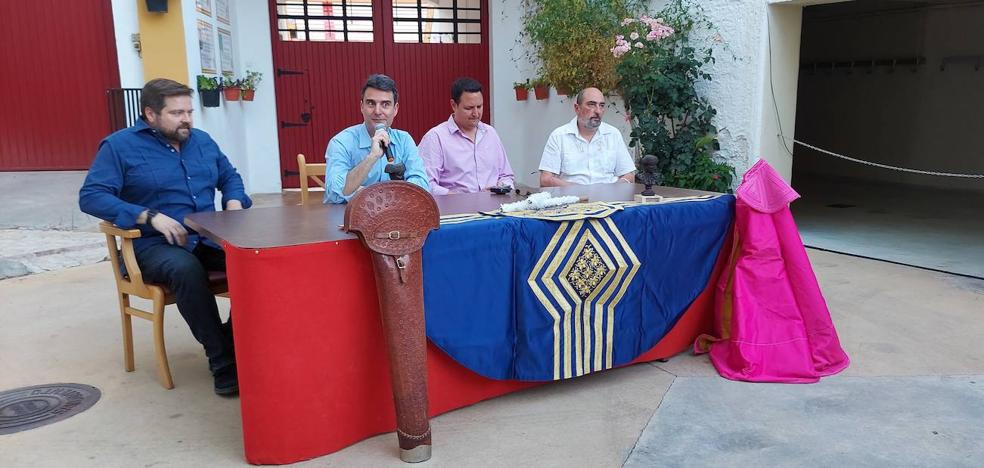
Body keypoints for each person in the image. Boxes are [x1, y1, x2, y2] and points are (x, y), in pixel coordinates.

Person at [79, 78, 250, 396]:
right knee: (186, 269)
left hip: (207, 237)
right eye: (176, 113)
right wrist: (148, 216)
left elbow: (230, 176)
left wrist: (234, 201)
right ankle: (224, 362)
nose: (186, 119)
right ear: (150, 114)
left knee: (257, 262)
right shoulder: (119, 146)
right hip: (151, 247)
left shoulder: (203, 141)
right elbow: (91, 196)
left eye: (189, 111)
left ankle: (230, 341)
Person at [323, 74, 429, 203]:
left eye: (385, 104)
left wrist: (374, 194)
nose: (378, 111)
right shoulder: (340, 143)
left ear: (395, 109)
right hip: (350, 219)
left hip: (396, 218)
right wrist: (372, 157)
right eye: (371, 103)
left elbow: (422, 185)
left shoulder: (404, 140)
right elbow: (335, 192)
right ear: (362, 106)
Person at [418, 77, 515, 194]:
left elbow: (506, 175)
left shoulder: (491, 133)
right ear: (453, 105)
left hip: (495, 209)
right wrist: (462, 198)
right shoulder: (435, 138)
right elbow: (425, 184)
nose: (476, 113)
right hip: (456, 210)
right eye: (469, 108)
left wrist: (501, 189)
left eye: (479, 107)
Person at [538, 87, 636, 187]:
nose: (598, 111)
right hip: (573, 198)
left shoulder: (613, 134)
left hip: (608, 199)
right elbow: (545, 180)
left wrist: (613, 188)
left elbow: (628, 175)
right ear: (577, 108)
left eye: (601, 105)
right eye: (592, 105)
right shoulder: (559, 136)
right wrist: (578, 190)